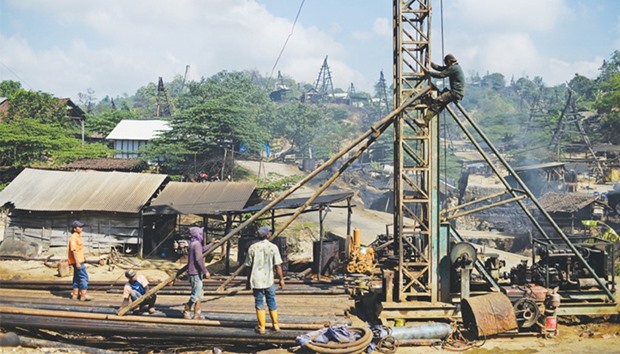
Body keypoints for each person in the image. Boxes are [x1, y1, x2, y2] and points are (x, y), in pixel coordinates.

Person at [244, 226, 285, 334]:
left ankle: (261, 327)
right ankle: (275, 324)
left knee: (259, 301)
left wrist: (248, 282)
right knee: (271, 300)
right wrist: (281, 279)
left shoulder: (252, 247)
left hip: (256, 280)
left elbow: (248, 266)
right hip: (269, 279)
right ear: (267, 235)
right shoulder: (273, 247)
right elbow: (278, 266)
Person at [419, 53, 465, 125]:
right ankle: (431, 103)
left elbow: (441, 75)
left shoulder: (454, 68)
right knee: (440, 101)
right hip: (456, 92)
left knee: (438, 101)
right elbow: (440, 68)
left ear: (449, 61)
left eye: (446, 63)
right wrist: (430, 63)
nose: (446, 65)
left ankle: (425, 120)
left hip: (455, 92)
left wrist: (428, 72)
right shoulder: (454, 67)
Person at [183, 226, 210, 320]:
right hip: (195, 272)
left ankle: (197, 313)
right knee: (196, 294)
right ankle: (187, 308)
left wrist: (212, 244)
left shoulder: (193, 243)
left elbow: (201, 250)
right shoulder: (197, 244)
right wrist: (205, 271)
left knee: (199, 294)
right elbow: (198, 259)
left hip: (193, 272)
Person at [67, 220, 92, 301]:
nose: (81, 228)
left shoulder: (78, 236)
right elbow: (74, 251)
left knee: (77, 278)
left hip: (79, 260)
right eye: (79, 227)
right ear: (75, 228)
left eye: (81, 227)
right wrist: (77, 262)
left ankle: (75, 294)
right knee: (84, 277)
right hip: (77, 261)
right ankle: (83, 294)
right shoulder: (74, 238)